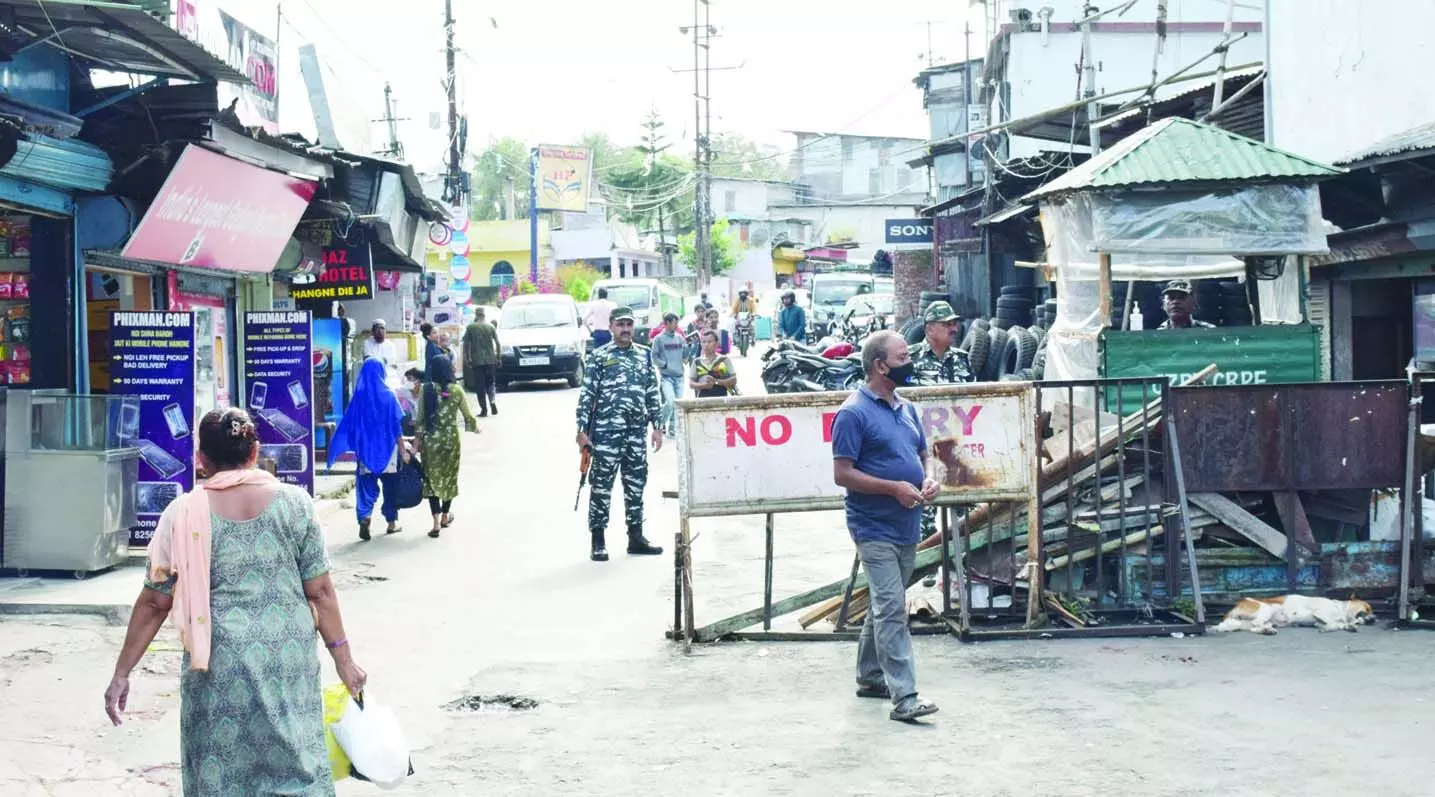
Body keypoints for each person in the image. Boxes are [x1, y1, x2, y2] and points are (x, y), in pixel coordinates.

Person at [105, 408, 365, 794]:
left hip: (217, 667)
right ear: (255, 450)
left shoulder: (181, 514)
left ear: (200, 459)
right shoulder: (296, 505)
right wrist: (345, 662)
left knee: (221, 775)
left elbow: (154, 603)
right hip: (287, 665)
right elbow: (321, 592)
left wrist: (121, 674)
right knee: (297, 766)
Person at [830, 330, 940, 723]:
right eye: (903, 357)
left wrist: (928, 478)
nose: (910, 363)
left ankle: (869, 675)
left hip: (907, 522)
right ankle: (905, 697)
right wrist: (892, 487)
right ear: (880, 366)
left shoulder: (906, 408)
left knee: (885, 604)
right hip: (872, 525)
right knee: (893, 607)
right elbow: (843, 474)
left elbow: (923, 453)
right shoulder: (853, 413)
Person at [575, 305, 665, 562]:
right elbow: (587, 395)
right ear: (611, 327)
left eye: (629, 324)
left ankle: (635, 537)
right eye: (620, 325)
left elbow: (652, 392)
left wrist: (657, 427)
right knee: (602, 486)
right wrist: (582, 431)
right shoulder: (600, 356)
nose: (626, 329)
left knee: (636, 484)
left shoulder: (644, 355)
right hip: (606, 433)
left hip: (636, 433)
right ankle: (598, 540)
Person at [329, 358, 410, 541]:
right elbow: (396, 426)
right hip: (388, 450)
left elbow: (350, 424)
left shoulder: (359, 397)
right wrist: (403, 449)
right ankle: (391, 523)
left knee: (366, 486)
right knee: (390, 487)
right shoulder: (389, 395)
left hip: (366, 450)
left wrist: (355, 444)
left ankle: (365, 516)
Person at [417, 355, 479, 538]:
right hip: (451, 441)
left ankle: (435, 522)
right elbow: (468, 417)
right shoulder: (457, 390)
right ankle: (445, 516)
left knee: (432, 480)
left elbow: (420, 420)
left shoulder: (425, 390)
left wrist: (415, 444)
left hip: (431, 442)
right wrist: (475, 428)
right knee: (449, 478)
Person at [909, 301, 973, 386]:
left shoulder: (963, 358)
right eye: (947, 324)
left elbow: (973, 394)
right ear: (930, 329)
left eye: (954, 324)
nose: (955, 329)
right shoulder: (909, 358)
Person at [651, 313, 687, 436]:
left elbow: (685, 355)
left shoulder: (680, 338)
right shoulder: (659, 339)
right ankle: (660, 424)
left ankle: (672, 428)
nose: (676, 326)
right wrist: (663, 365)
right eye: (674, 323)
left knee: (677, 404)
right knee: (670, 402)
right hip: (666, 377)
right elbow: (654, 356)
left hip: (679, 376)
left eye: (677, 323)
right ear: (666, 323)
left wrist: (689, 349)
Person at [462, 307, 501, 417]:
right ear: (484, 315)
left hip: (477, 361)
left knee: (480, 386)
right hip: (490, 360)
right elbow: (497, 343)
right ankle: (492, 401)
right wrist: (498, 358)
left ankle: (484, 409)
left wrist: (467, 358)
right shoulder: (491, 326)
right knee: (491, 383)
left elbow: (466, 344)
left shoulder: (470, 327)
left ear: (476, 315)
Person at [690, 329, 737, 398]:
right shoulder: (697, 362)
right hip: (702, 401)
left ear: (716, 344)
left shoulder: (724, 360)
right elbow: (691, 384)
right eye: (703, 342)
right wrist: (703, 386)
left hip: (721, 401)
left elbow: (734, 380)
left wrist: (716, 382)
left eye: (709, 342)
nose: (706, 345)